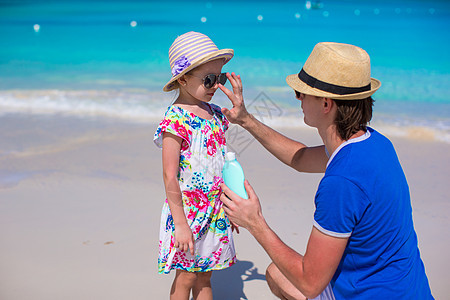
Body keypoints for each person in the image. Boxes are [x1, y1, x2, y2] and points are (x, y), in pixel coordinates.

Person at [218, 42, 433, 299]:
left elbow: (310, 283)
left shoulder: (341, 182)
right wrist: (246, 120)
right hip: (411, 291)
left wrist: (255, 222)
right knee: (277, 273)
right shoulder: (376, 144)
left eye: (301, 92)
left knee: (281, 276)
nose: (297, 98)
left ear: (326, 104)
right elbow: (299, 159)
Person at [154, 31, 237, 300]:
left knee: (206, 274)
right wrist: (180, 223)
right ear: (183, 78)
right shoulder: (175, 118)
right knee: (187, 275)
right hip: (187, 212)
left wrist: (232, 203)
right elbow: (169, 175)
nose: (215, 86)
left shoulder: (215, 115)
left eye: (220, 78)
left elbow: (222, 162)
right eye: (208, 79)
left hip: (215, 209)